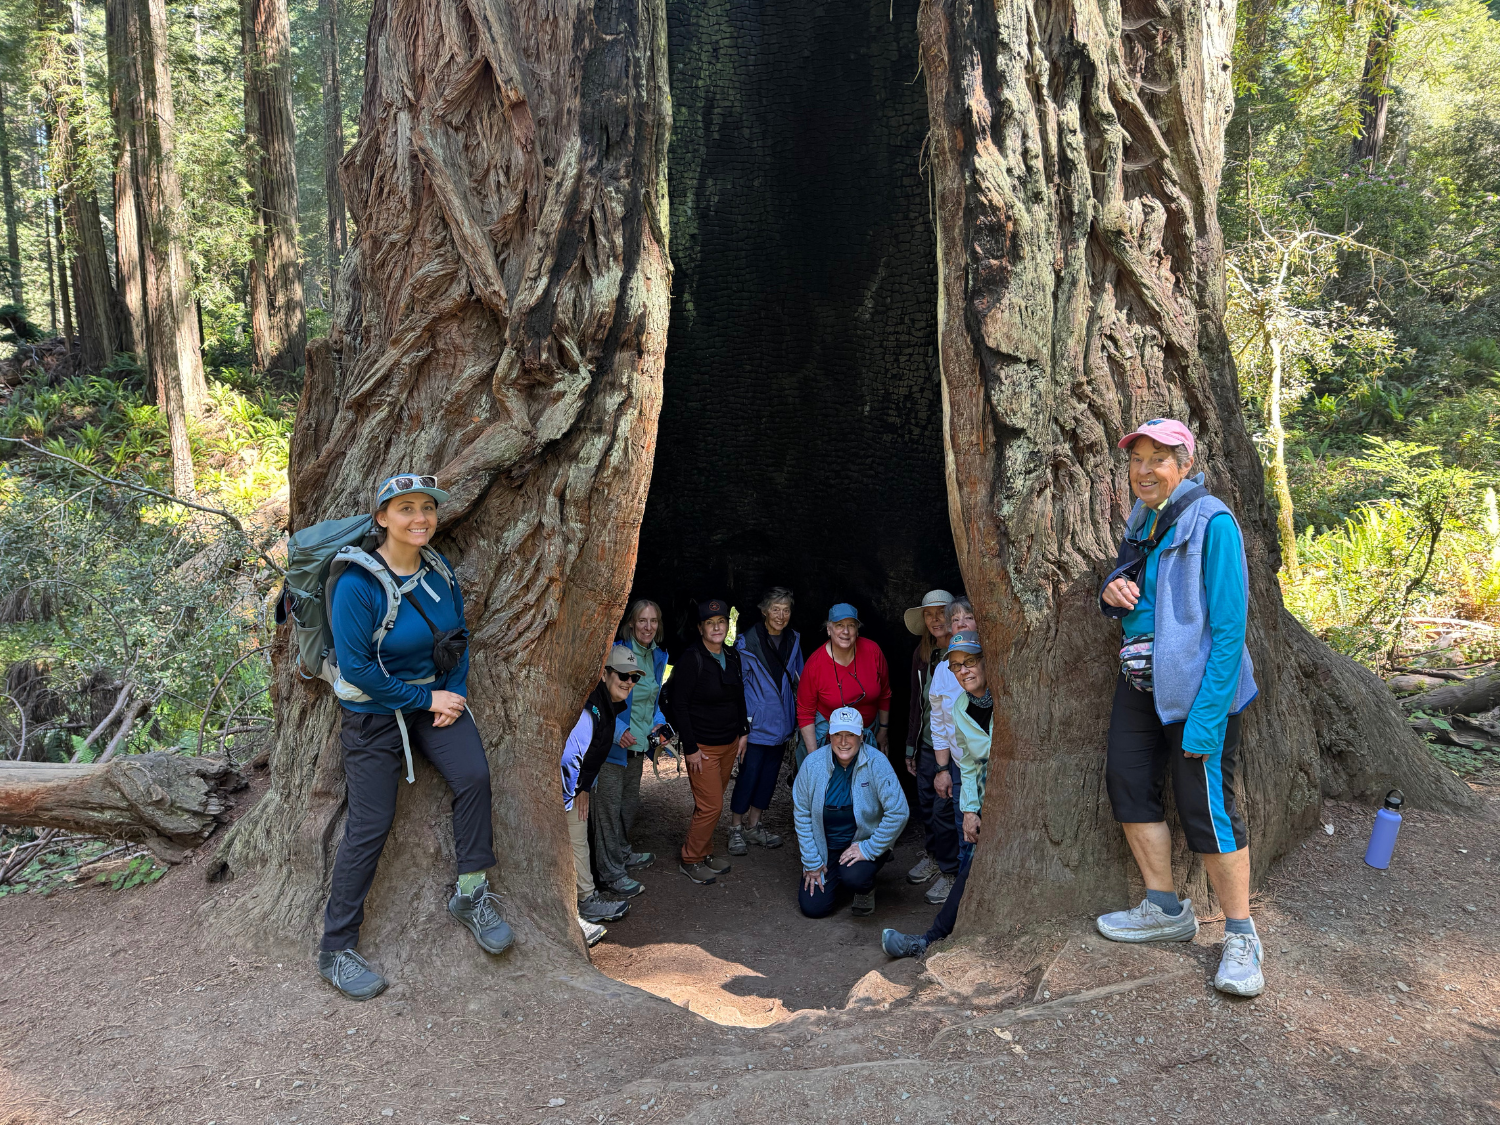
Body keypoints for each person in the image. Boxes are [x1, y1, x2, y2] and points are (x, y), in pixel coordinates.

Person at [318, 473, 512, 1001]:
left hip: (435, 703)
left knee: (474, 777)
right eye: (405, 508)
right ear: (382, 518)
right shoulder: (358, 585)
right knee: (370, 823)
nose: (420, 517)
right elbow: (356, 668)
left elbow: (458, 638)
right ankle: (336, 949)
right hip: (375, 715)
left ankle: (471, 893)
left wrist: (452, 692)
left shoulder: (438, 569)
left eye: (426, 507)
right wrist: (426, 700)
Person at [1096, 418, 1263, 997]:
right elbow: (1127, 583)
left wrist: (1210, 716)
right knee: (1128, 781)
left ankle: (1240, 935)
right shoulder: (1141, 518)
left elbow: (1229, 626)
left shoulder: (1212, 520)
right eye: (1137, 459)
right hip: (1141, 683)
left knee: (1206, 805)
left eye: (1158, 459)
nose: (1145, 470)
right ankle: (1165, 909)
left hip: (1198, 690)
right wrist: (1109, 591)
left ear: (1184, 464)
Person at [881, 630, 991, 959]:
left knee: (970, 864)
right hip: (984, 796)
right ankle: (932, 939)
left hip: (1007, 798)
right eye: (956, 666)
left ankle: (929, 939)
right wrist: (970, 809)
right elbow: (968, 763)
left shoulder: (1004, 699)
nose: (963, 671)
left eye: (970, 662)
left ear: (986, 662)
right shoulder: (960, 706)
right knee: (968, 858)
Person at [793, 706, 909, 918]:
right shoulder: (812, 765)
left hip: (862, 842)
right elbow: (802, 814)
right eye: (838, 734)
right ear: (829, 736)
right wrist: (811, 861)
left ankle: (864, 888)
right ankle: (835, 875)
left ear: (861, 736)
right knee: (814, 908)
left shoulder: (877, 762)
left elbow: (899, 811)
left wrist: (870, 847)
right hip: (826, 847)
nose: (844, 741)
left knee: (855, 877)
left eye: (850, 735)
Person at [563, 648, 641, 944]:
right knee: (577, 837)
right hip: (566, 788)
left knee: (580, 836)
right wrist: (578, 790)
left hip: (575, 785)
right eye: (623, 675)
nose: (629, 681)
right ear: (605, 673)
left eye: (633, 676)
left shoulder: (608, 706)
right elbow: (571, 757)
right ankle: (585, 902)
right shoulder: (591, 709)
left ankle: (584, 898)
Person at [592, 600, 669, 899]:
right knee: (607, 813)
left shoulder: (658, 656)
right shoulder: (615, 651)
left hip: (638, 746)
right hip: (613, 746)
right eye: (641, 621)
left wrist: (659, 724)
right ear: (631, 623)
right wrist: (616, 730)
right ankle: (611, 874)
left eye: (653, 621)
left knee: (627, 807)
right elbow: (596, 695)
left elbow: (653, 700)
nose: (647, 627)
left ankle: (622, 853)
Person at [669, 598, 749, 885]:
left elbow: (739, 695)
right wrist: (689, 748)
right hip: (702, 747)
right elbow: (679, 705)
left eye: (721, 622)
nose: (716, 627)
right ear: (701, 628)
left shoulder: (732, 655)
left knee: (709, 804)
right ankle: (691, 859)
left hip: (729, 743)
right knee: (712, 805)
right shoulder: (692, 659)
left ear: (727, 625)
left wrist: (743, 732)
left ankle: (705, 852)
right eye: (710, 623)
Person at [728, 587, 803, 855]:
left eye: (786, 609)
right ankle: (736, 828)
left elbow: (799, 680)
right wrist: (742, 726)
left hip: (782, 724)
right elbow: (738, 689)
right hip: (755, 726)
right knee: (748, 776)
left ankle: (754, 826)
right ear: (764, 611)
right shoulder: (746, 643)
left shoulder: (794, 640)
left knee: (769, 778)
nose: (781, 615)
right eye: (775, 609)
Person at [901, 589, 960, 905]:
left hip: (956, 746)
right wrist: (911, 744)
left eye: (941, 612)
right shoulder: (922, 654)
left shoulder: (965, 648)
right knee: (926, 804)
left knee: (944, 809)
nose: (936, 619)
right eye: (929, 614)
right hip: (927, 743)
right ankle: (935, 856)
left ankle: (950, 871)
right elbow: (917, 702)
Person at [796, 603, 891, 763]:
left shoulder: (873, 651)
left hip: (867, 732)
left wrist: (883, 730)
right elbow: (805, 712)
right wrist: (814, 757)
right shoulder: (815, 664)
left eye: (851, 626)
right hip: (828, 736)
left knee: (864, 784)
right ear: (829, 629)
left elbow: (885, 693)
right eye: (839, 625)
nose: (845, 632)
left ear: (857, 629)